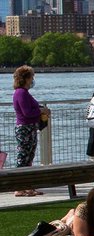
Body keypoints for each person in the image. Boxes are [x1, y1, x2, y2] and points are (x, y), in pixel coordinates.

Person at [11, 65, 47, 197]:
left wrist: (40, 110)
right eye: (31, 77)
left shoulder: (25, 93)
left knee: (29, 158)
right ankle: (19, 187)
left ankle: (28, 186)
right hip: (24, 129)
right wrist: (41, 111)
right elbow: (27, 112)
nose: (33, 79)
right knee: (23, 158)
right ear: (25, 78)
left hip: (30, 128)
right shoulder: (20, 93)